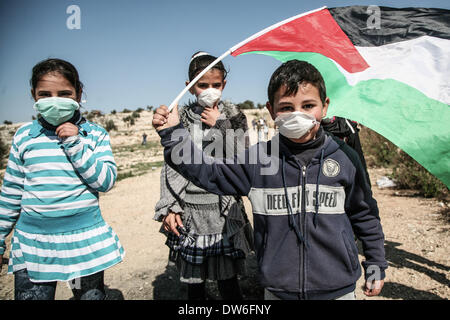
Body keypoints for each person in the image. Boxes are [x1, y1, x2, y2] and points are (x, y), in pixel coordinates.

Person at [152, 60, 387, 300]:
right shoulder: (258, 159)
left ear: (324, 107)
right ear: (271, 110)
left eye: (308, 105)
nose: (297, 115)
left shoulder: (344, 158)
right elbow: (208, 173)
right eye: (286, 107)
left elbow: (365, 215)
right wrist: (172, 135)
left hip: (338, 290)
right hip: (278, 291)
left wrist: (376, 265)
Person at [0, 58, 125, 300]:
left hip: (83, 241)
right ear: (33, 96)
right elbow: (11, 193)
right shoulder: (24, 136)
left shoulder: (94, 135)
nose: (54, 101)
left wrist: (75, 143)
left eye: (64, 93)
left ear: (78, 95)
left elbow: (106, 181)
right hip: (33, 245)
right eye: (45, 94)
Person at [153, 52, 253, 300]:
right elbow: (174, 166)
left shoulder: (234, 117)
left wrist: (221, 125)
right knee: (194, 285)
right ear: (190, 87)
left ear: (224, 85)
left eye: (215, 85)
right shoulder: (181, 120)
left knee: (228, 282)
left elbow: (242, 159)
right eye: (203, 85)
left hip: (223, 212)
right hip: (192, 213)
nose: (210, 90)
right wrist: (170, 207)